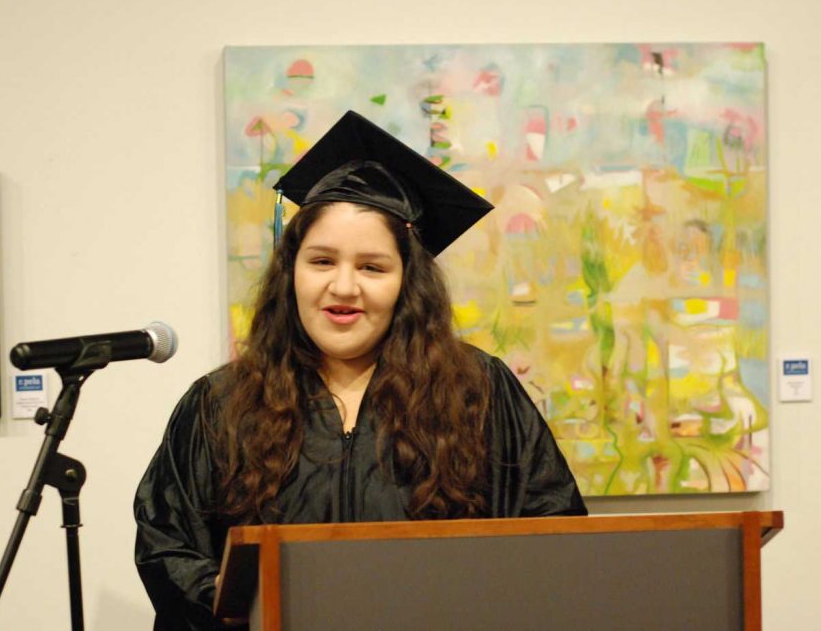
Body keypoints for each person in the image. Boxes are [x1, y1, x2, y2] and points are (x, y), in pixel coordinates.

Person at [134, 111, 587, 630]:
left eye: (372, 267)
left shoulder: (476, 392)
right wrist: (233, 600)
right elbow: (165, 544)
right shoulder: (222, 403)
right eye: (322, 261)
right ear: (292, 271)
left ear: (406, 282)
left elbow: (552, 536)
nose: (344, 287)